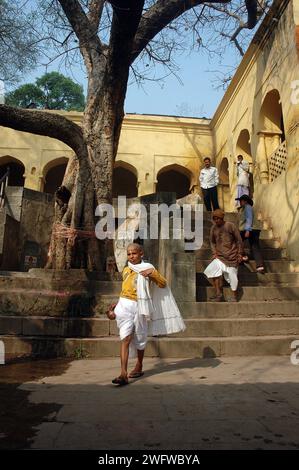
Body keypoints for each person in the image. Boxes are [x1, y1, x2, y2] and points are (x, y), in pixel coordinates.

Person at [107, 243, 185, 386]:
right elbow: (125, 288)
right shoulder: (126, 270)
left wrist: (152, 273)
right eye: (129, 254)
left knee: (140, 338)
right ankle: (123, 373)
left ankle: (139, 365)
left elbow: (163, 283)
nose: (131, 256)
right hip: (124, 305)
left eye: (134, 253)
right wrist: (117, 304)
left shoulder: (148, 268)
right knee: (125, 338)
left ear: (141, 254)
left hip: (140, 306)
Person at [204, 209, 243, 302]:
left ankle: (234, 296)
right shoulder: (213, 228)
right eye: (215, 219)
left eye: (218, 219)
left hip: (232, 257)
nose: (216, 221)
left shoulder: (230, 226)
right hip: (220, 257)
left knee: (233, 277)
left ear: (222, 218)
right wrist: (214, 253)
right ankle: (219, 294)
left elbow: (239, 240)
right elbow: (212, 242)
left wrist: (240, 253)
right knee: (212, 270)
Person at [236, 194, 265, 273]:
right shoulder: (243, 209)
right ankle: (260, 266)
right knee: (254, 247)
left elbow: (249, 218)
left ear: (245, 201)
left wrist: (248, 230)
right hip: (252, 229)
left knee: (237, 241)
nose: (240, 202)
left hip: (250, 229)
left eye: (241, 201)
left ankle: (243, 256)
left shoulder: (248, 207)